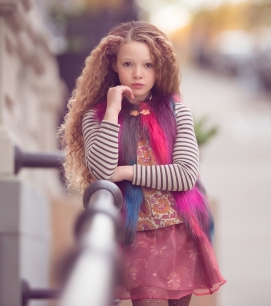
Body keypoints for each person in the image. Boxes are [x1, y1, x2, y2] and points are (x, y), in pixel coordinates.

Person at [59, 21, 226, 306]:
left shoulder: (176, 111)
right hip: (136, 236)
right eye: (128, 63)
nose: (138, 74)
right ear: (114, 65)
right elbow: (101, 171)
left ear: (159, 67)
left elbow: (185, 175)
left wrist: (126, 171)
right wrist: (112, 109)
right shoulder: (96, 117)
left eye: (148, 65)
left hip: (181, 231)